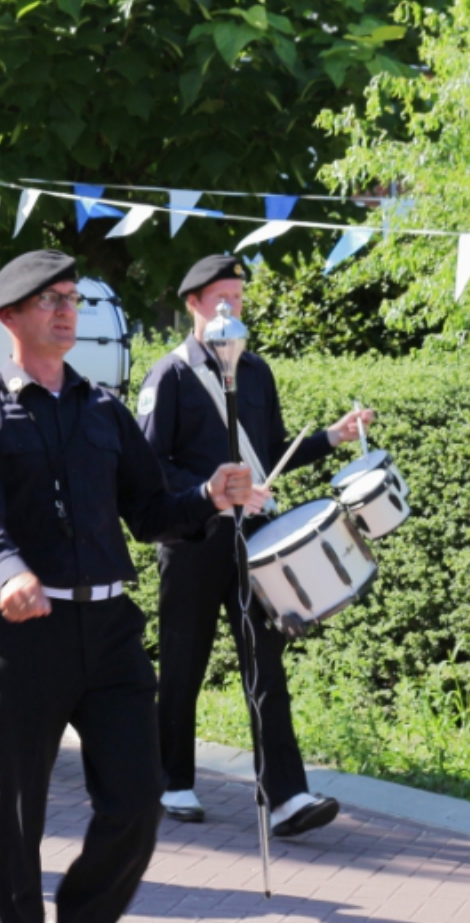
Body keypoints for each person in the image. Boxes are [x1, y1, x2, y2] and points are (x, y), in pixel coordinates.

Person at [0, 249, 252, 923]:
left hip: (110, 629)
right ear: (8, 318)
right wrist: (8, 570)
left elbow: (149, 511)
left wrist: (207, 497)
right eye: (48, 300)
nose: (65, 312)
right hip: (24, 631)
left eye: (72, 299)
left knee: (139, 799)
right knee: (16, 812)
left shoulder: (104, 410)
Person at [135, 254, 374, 838]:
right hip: (193, 540)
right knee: (183, 665)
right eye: (219, 298)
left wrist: (333, 437)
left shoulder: (258, 371)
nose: (230, 307)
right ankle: (171, 780)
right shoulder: (168, 375)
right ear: (193, 304)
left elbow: (271, 448)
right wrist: (209, 493)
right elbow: (149, 467)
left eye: (237, 298)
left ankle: (285, 796)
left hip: (256, 540)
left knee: (267, 667)